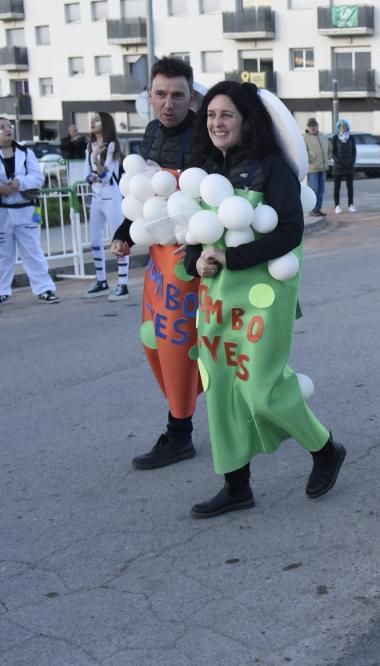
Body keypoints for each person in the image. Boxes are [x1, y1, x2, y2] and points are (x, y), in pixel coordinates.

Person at [184, 80, 347, 518]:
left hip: (263, 298)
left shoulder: (272, 167)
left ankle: (325, 449)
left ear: (245, 121)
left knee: (261, 389)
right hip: (216, 302)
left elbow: (291, 232)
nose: (217, 122)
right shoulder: (204, 170)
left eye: (227, 115)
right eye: (211, 114)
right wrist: (192, 264)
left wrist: (233, 257)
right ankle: (236, 486)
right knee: (220, 391)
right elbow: (193, 236)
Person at [111, 57, 200, 471]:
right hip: (158, 260)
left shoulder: (205, 134)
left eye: (177, 95)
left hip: (192, 260)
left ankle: (180, 433)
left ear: (190, 97)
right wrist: (125, 230)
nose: (168, 104)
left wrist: (199, 252)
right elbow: (145, 195)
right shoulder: (150, 133)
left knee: (180, 344)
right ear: (149, 96)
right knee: (155, 340)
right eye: (161, 94)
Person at [0, 116, 59, 305]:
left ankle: (45, 289)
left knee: (32, 251)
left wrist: (20, 183)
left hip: (25, 209)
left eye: (9, 126)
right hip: (2, 211)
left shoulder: (26, 152)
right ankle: (2, 291)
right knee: (3, 254)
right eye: (1, 127)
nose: (7, 129)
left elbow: (37, 178)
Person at [83, 111, 129, 300]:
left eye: (97, 120)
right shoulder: (89, 146)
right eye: (92, 120)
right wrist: (92, 161)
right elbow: (87, 175)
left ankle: (123, 283)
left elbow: (106, 175)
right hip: (96, 197)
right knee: (95, 240)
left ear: (106, 123)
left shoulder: (112, 146)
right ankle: (101, 280)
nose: (93, 123)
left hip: (112, 197)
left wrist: (96, 160)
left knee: (118, 239)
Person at [330, 118, 357, 214]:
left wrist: (352, 162)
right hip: (338, 167)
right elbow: (333, 152)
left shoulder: (351, 138)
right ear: (338, 127)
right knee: (337, 187)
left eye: (344, 126)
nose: (343, 128)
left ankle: (351, 204)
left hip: (349, 166)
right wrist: (339, 162)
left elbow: (354, 152)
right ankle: (337, 206)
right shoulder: (335, 138)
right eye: (341, 126)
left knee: (350, 187)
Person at [302, 118, 327, 217]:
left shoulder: (322, 136)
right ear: (308, 127)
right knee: (314, 190)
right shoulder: (305, 138)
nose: (313, 128)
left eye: (314, 126)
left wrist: (328, 157)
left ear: (317, 126)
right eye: (311, 126)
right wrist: (310, 158)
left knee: (321, 190)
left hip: (323, 168)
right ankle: (312, 209)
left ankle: (318, 209)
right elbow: (303, 151)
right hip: (313, 169)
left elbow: (329, 148)